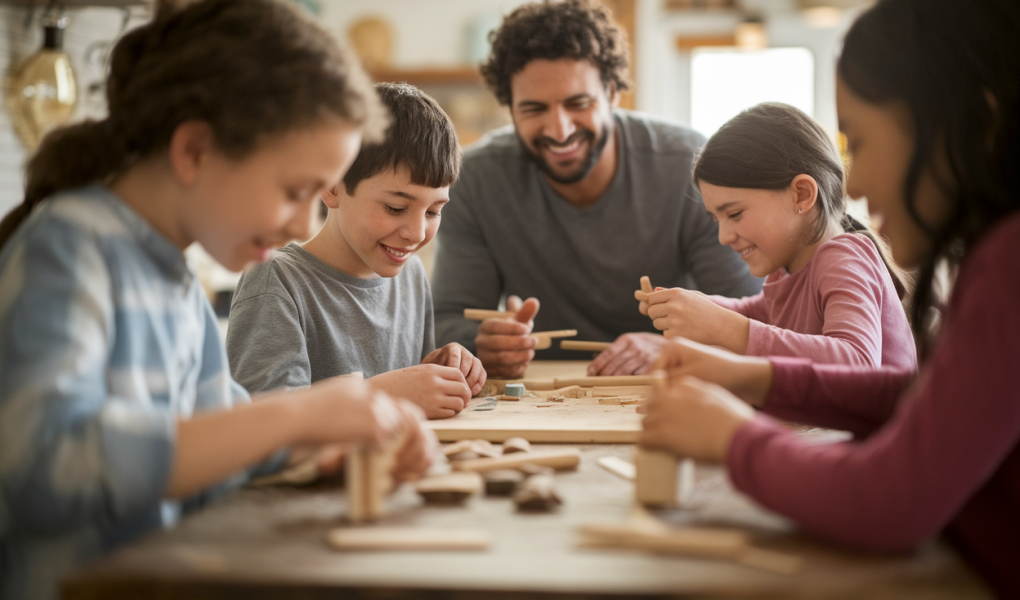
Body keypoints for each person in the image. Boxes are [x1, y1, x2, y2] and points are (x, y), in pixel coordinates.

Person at [0, 2, 434, 599]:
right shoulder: (69, 247)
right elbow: (41, 470)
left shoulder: (174, 275)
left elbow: (221, 448)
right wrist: (298, 414)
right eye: (294, 191)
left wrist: (327, 445)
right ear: (195, 151)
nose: (303, 223)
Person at [639, 0, 1020, 595]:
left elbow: (890, 499)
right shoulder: (993, 260)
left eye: (861, 142)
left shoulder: (1006, 263)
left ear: (970, 119)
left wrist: (733, 438)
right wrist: (750, 376)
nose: (857, 185)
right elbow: (918, 397)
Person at [430, 0, 761, 379]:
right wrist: (483, 342)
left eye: (578, 103)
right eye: (534, 109)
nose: (560, 130)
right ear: (510, 106)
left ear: (612, 93)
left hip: (668, 380)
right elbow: (446, 321)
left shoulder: (686, 165)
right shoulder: (475, 180)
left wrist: (672, 346)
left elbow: (750, 316)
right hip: (544, 393)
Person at [227, 83, 485, 420]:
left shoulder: (411, 274)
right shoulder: (276, 280)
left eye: (434, 211)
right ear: (333, 186)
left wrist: (435, 370)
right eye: (395, 208)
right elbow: (259, 426)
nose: (417, 233)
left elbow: (408, 406)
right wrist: (380, 394)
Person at [636, 103, 916, 369]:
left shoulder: (843, 257)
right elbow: (754, 312)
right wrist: (688, 305)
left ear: (802, 194)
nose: (723, 237)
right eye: (715, 219)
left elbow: (857, 362)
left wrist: (723, 326)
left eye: (734, 214)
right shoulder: (785, 271)